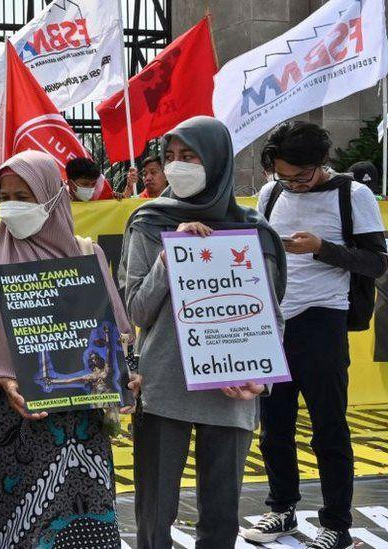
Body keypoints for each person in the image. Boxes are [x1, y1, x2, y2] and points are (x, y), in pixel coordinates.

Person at [0, 150, 138, 547]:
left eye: (25, 195)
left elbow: (113, 340)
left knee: (84, 533)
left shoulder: (88, 255)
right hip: (15, 434)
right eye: (6, 196)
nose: (12, 206)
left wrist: (126, 375)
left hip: (84, 433)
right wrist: (2, 380)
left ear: (53, 197)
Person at [118, 116, 287, 549]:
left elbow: (271, 316)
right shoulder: (149, 222)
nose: (177, 167)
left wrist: (260, 376)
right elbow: (136, 308)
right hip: (164, 389)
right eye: (170, 157)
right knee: (155, 515)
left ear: (215, 161)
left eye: (188, 157)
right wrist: (168, 260)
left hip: (232, 392)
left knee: (220, 519)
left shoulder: (256, 231)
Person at [241, 122, 387, 549]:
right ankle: (281, 509)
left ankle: (336, 524)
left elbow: (377, 263)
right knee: (274, 427)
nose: (294, 185)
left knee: (328, 427)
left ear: (322, 163)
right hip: (274, 320)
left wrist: (322, 248)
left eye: (301, 176)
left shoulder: (352, 196)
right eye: (284, 176)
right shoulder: (271, 194)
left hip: (323, 319)